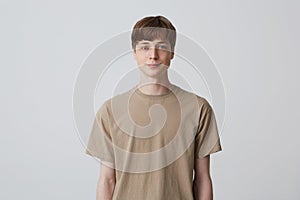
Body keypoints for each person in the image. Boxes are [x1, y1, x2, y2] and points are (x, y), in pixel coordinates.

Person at [86, 15, 222, 200]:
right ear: (134, 52)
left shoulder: (198, 109)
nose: (153, 55)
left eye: (162, 47)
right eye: (144, 47)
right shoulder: (110, 111)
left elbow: (202, 179)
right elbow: (107, 180)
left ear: (172, 52)